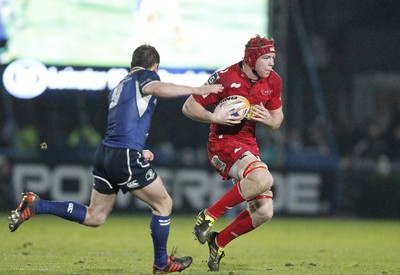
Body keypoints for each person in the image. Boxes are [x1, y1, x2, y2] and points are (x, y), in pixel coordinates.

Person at [8, 44, 223, 274]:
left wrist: (139, 150)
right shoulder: (145, 76)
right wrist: (196, 90)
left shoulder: (120, 85)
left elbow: (124, 124)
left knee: (95, 216)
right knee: (164, 204)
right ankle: (161, 263)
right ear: (155, 66)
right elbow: (158, 87)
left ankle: (37, 204)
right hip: (124, 154)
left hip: (106, 153)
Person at [182, 35, 284, 272]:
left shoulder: (273, 81)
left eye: (273, 58)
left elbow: (278, 119)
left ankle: (218, 242)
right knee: (264, 178)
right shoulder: (225, 77)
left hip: (248, 145)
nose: (271, 63)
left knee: (264, 213)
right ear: (252, 58)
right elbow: (189, 106)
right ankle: (208, 216)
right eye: (267, 58)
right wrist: (213, 117)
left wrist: (270, 119)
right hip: (222, 143)